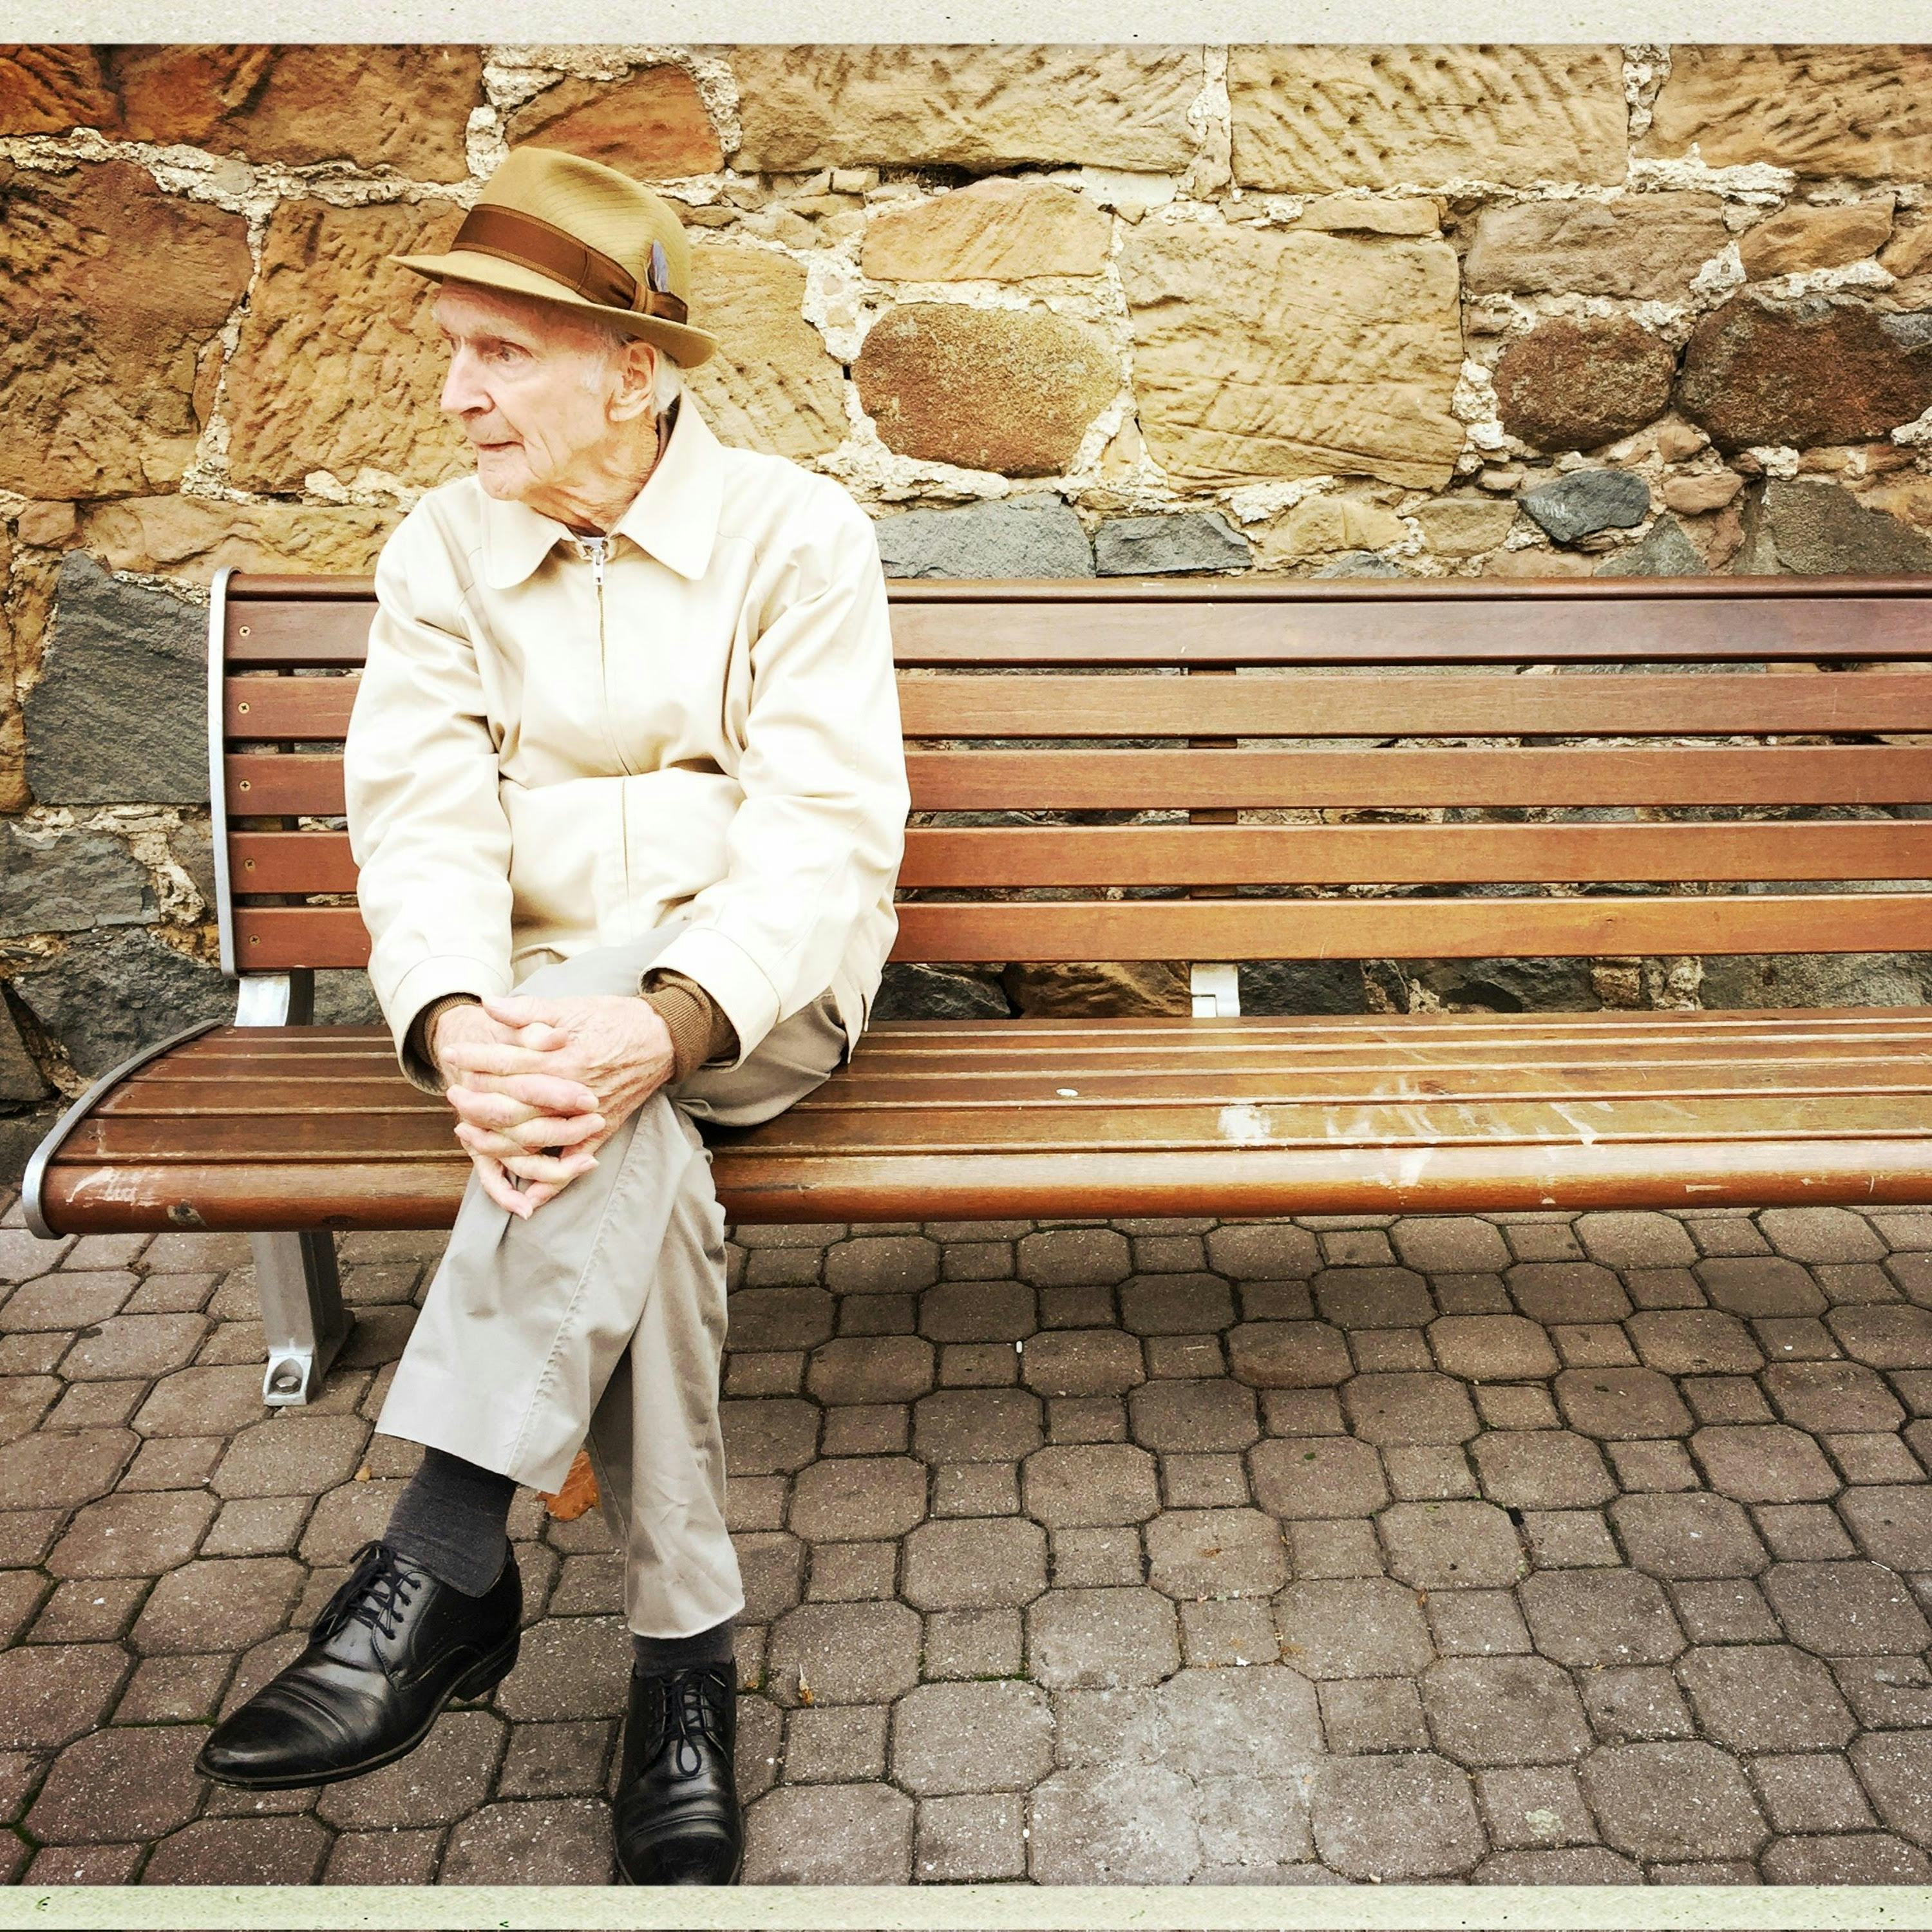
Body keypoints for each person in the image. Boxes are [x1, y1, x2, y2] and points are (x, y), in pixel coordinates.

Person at [191, 144, 910, 1888]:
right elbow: (421, 821)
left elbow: (819, 842)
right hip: (530, 1048)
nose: (456, 395)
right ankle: (685, 1666)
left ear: (634, 367)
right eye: (452, 349)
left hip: (754, 1004)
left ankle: (441, 1558)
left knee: (616, 1085)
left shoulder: (792, 535)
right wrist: (454, 1027)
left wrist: (660, 1020)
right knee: (613, 1154)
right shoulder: (440, 550)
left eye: (499, 353)